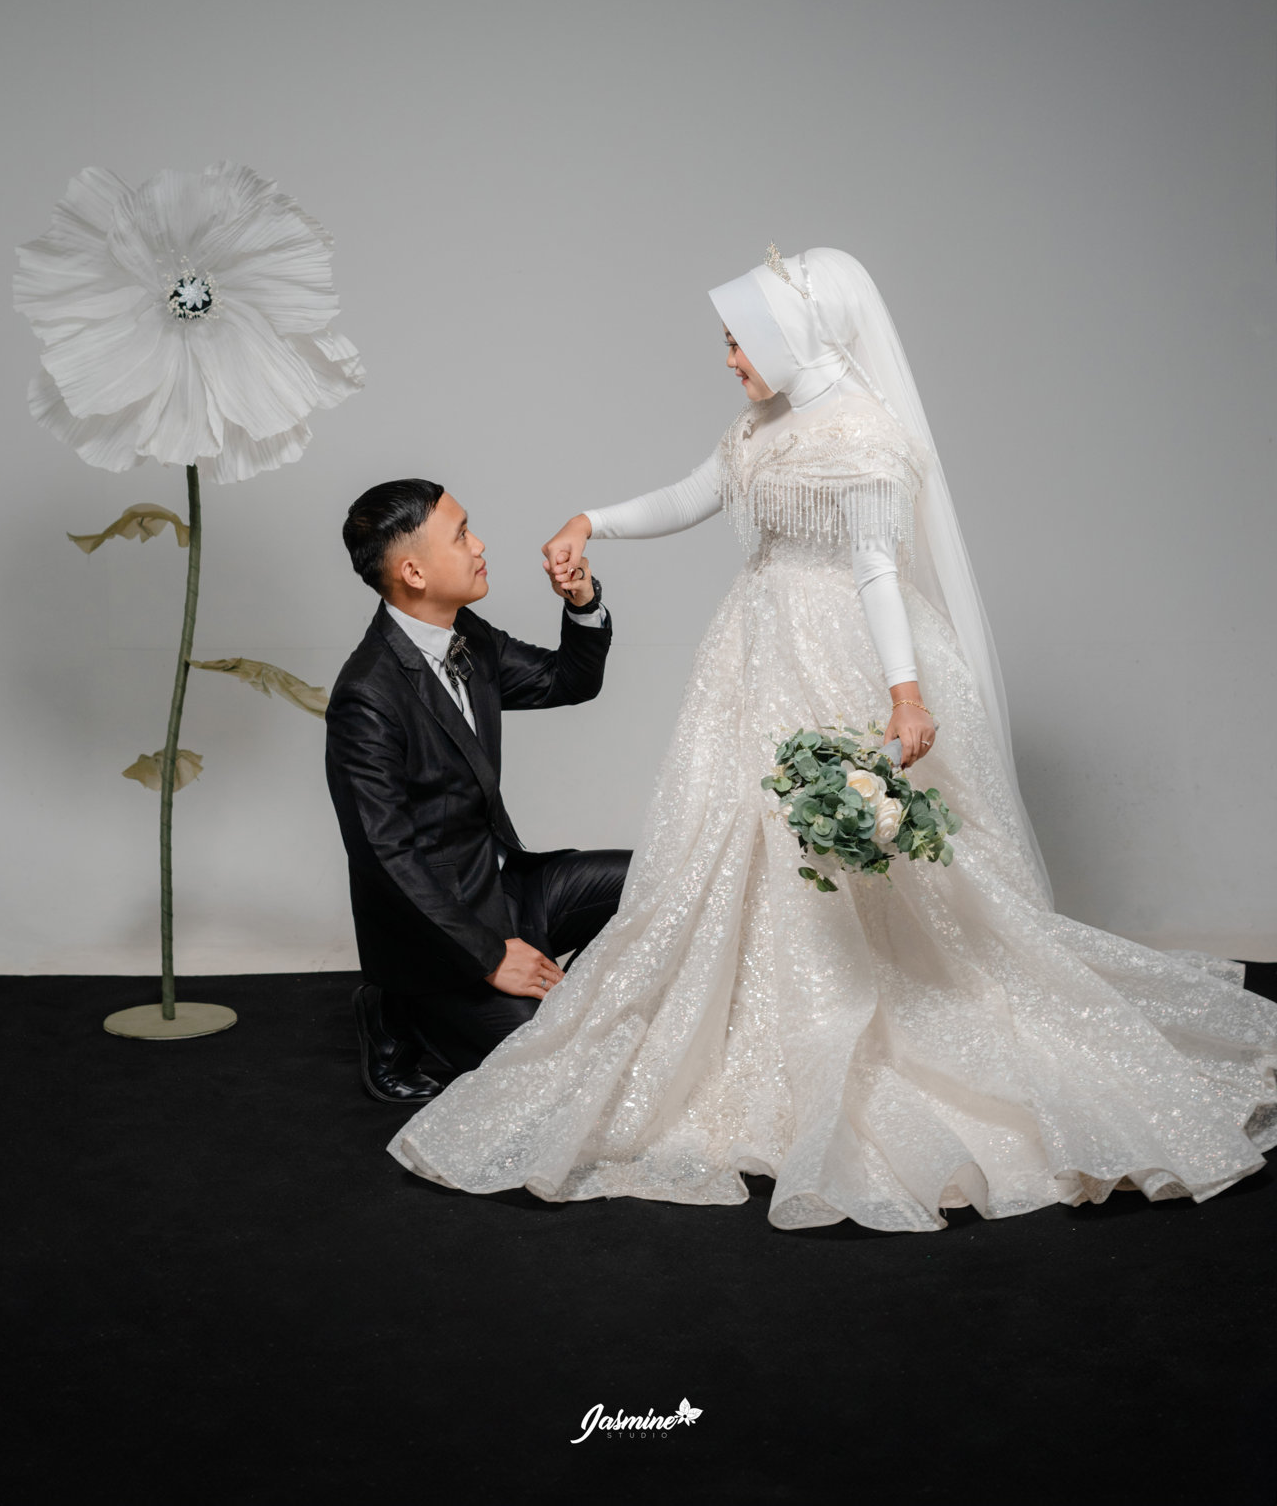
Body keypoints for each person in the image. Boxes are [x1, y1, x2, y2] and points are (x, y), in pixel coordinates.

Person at [387, 250, 1277, 1230]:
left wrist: (904, 695)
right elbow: (694, 492)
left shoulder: (862, 434)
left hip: (839, 656)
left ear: (789, 335)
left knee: (862, 866)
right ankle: (757, 1039)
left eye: (739, 341)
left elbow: (875, 569)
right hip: (750, 653)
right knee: (732, 844)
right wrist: (590, 519)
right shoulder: (759, 423)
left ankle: (861, 1050)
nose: (729, 359)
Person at [325, 478, 630, 1103]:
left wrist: (582, 602)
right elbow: (385, 858)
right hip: (442, 936)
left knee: (666, 882)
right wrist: (490, 955)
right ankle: (395, 1011)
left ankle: (565, 999)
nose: (480, 544)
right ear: (413, 572)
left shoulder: (465, 634)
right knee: (550, 1080)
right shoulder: (367, 697)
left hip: (510, 886)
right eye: (461, 534)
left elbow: (566, 681)